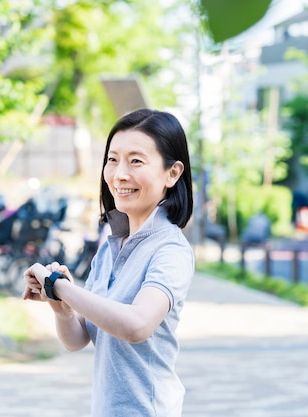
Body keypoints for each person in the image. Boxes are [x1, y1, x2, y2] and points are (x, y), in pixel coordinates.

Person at [23, 108, 195, 416]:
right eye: (112, 159)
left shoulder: (171, 250)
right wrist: (61, 308)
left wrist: (61, 288)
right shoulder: (110, 247)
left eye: (136, 161)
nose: (119, 174)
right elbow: (78, 339)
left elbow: (137, 326)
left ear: (173, 173)